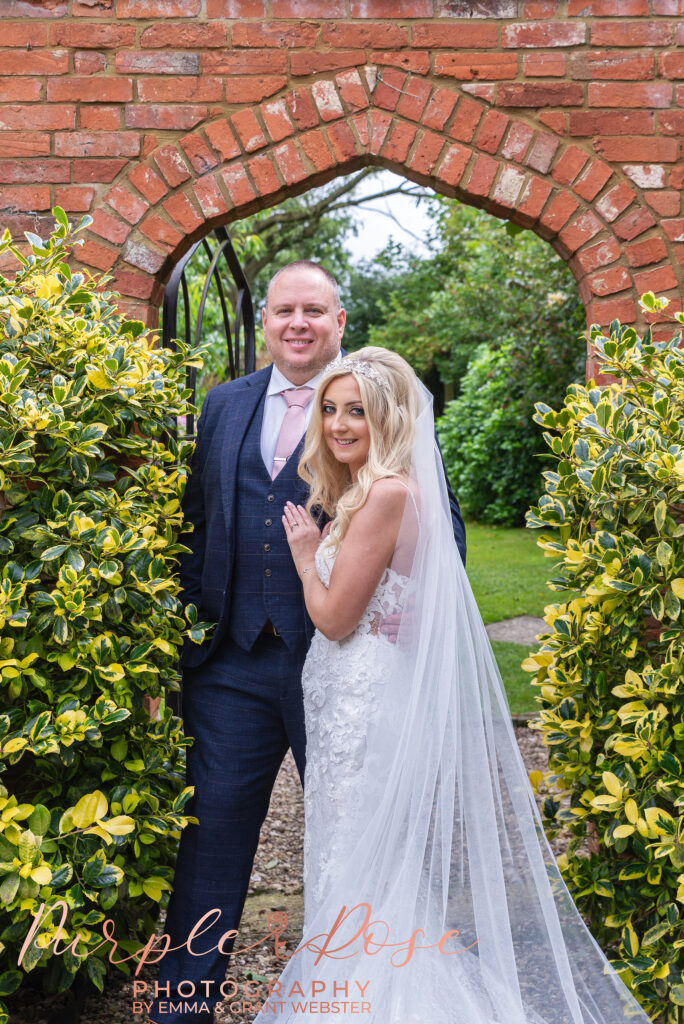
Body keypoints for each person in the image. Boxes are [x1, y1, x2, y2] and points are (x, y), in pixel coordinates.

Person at [249, 347, 653, 1024]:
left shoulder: (386, 494)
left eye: (358, 411)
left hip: (364, 700)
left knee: (357, 866)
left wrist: (302, 557)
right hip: (354, 695)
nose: (340, 423)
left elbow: (335, 616)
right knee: (352, 861)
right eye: (330, 409)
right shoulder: (379, 490)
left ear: (389, 420)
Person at [150, 263, 466, 1024]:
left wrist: (411, 610)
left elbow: (440, 529)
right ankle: (180, 1006)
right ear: (264, 320)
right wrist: (195, 620)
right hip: (231, 663)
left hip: (346, 666)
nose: (298, 323)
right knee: (213, 839)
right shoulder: (224, 404)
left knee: (356, 836)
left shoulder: (378, 405)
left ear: (339, 321)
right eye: (285, 309)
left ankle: (370, 998)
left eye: (314, 311)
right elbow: (198, 522)